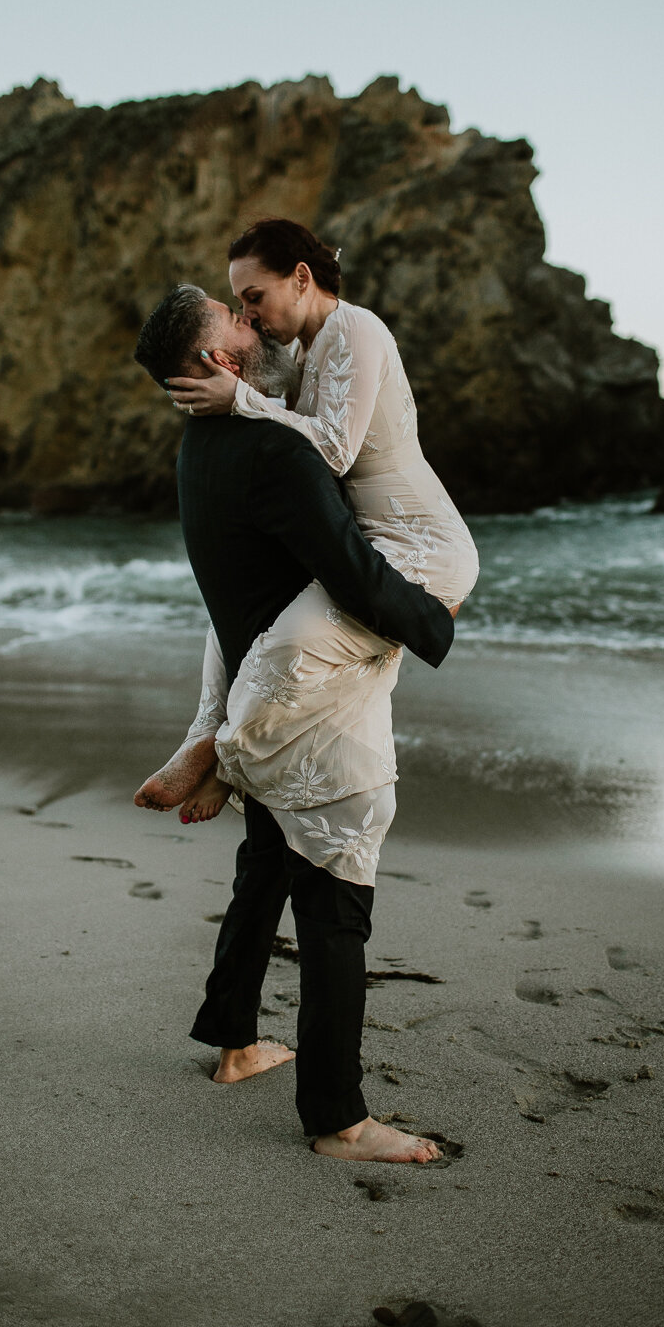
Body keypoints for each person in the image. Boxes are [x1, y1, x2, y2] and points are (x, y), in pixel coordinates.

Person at [133, 282, 453, 1161]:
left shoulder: (198, 447)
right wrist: (433, 622)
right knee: (336, 905)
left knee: (267, 859)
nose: (255, 321)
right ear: (217, 361)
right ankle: (338, 1119)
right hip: (311, 719)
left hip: (256, 687)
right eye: (236, 318)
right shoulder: (272, 451)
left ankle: (235, 1041)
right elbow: (351, 568)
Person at [137, 220, 478, 888]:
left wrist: (238, 398)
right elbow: (269, 404)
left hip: (419, 541)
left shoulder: (357, 330)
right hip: (361, 537)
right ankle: (202, 732)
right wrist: (232, 398)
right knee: (233, 620)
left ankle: (225, 759)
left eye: (255, 296)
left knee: (285, 647)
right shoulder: (299, 347)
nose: (249, 315)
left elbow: (332, 451)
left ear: (302, 277)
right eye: (240, 304)